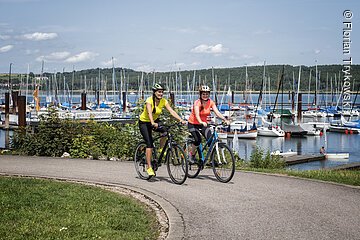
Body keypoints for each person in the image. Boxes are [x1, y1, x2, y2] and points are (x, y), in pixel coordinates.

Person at [139, 83, 186, 176]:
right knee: (149, 144)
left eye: (162, 92)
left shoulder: (163, 101)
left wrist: (180, 119)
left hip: (155, 121)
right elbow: (149, 113)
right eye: (159, 92)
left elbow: (171, 111)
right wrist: (152, 123)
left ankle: (161, 149)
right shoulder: (149, 101)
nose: (161, 94)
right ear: (154, 92)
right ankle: (149, 167)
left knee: (165, 131)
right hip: (144, 122)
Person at [187, 85, 230, 163]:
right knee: (197, 140)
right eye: (203, 94)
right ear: (200, 94)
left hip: (203, 124)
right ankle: (191, 155)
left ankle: (212, 159)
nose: (205, 95)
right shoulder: (197, 103)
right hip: (193, 123)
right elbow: (196, 114)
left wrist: (224, 119)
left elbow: (217, 112)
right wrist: (201, 121)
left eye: (207, 94)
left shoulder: (211, 102)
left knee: (211, 140)